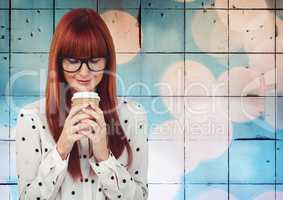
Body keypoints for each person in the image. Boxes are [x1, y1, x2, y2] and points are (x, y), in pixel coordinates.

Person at [15, 8, 148, 200]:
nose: (84, 73)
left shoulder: (133, 115)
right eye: (72, 60)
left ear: (107, 61)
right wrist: (61, 148)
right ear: (59, 62)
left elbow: (140, 197)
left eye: (94, 60)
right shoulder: (32, 117)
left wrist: (104, 156)